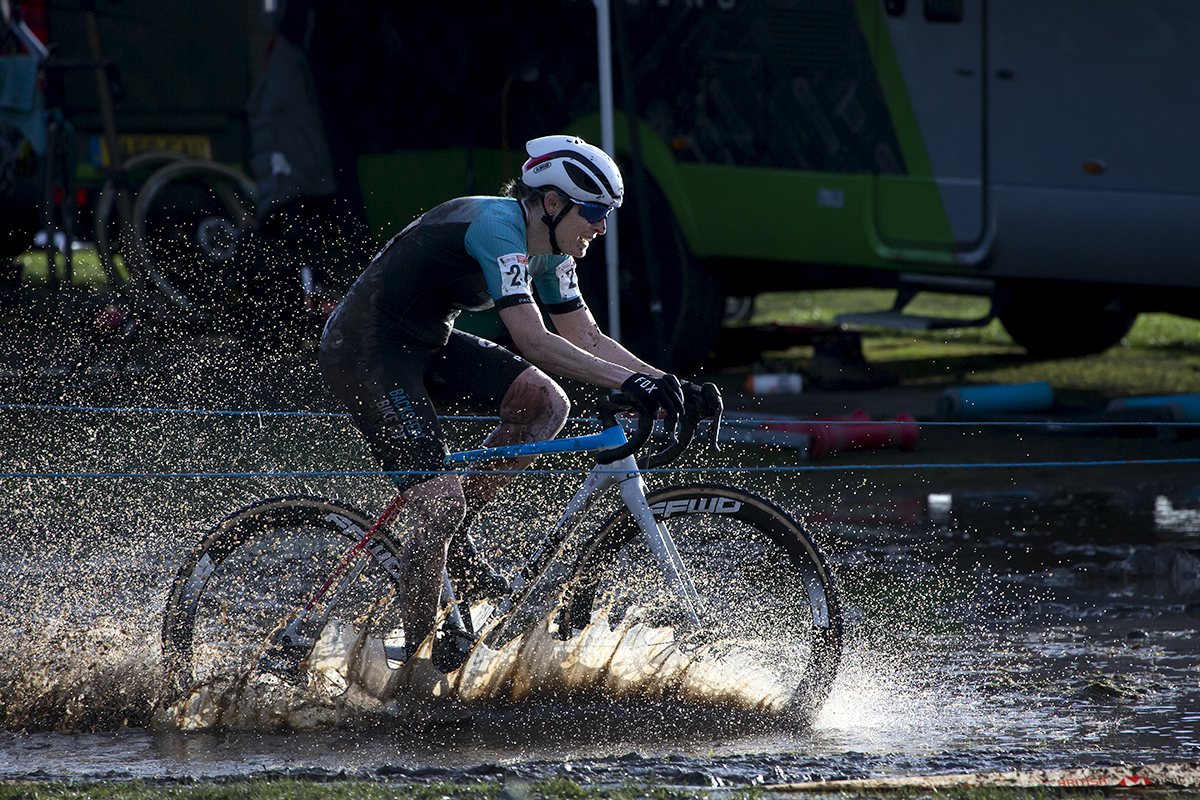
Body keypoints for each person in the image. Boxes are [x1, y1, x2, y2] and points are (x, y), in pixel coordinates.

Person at [319, 134, 702, 672]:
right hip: (364, 350)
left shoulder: (551, 249)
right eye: (594, 211)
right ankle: (415, 673)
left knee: (546, 403)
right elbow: (536, 341)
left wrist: (667, 383)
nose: (602, 227)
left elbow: (586, 339)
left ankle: (451, 547)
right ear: (552, 203)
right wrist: (633, 385)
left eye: (606, 213)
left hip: (424, 341)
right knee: (439, 504)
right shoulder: (500, 227)